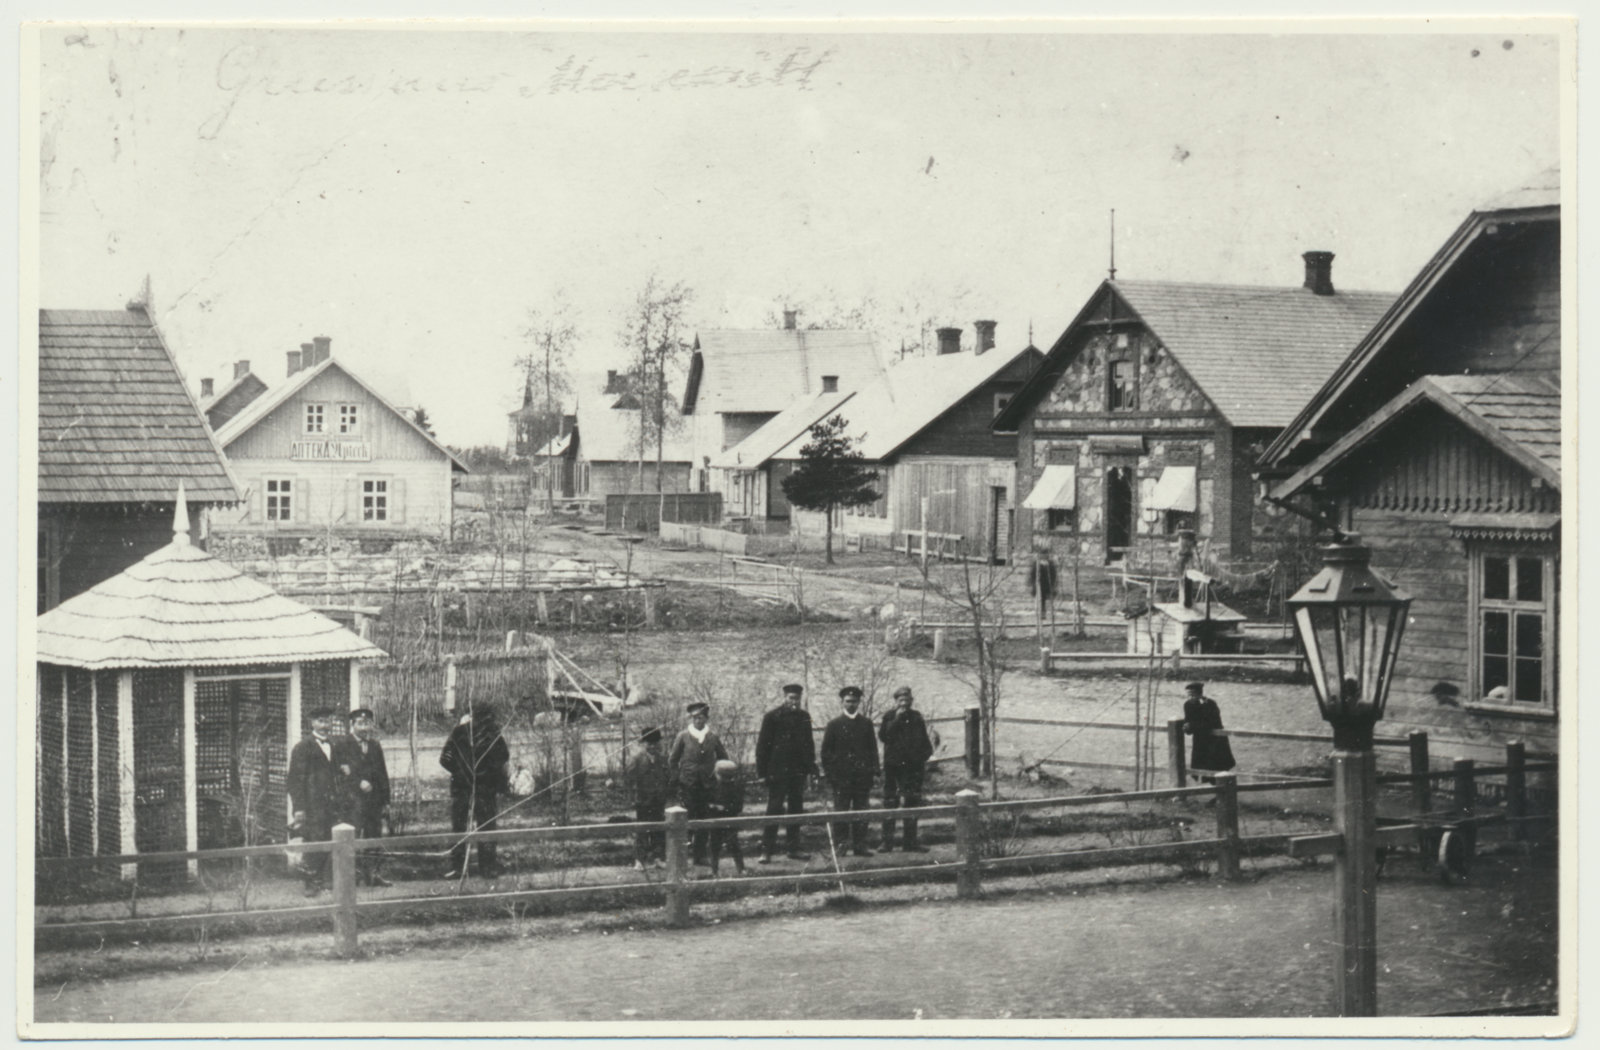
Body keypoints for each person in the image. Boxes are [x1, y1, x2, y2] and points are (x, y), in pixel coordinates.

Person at [440, 702, 511, 879]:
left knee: (484, 827)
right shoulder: (460, 734)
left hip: (483, 791)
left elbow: (502, 760)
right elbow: (445, 758)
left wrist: (490, 780)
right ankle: (461, 868)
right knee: (462, 827)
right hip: (464, 790)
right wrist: (462, 774)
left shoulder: (493, 736)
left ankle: (486, 867)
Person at [754, 682, 816, 863]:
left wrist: (811, 767)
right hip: (777, 772)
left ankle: (793, 848)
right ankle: (766, 850)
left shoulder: (804, 717)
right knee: (774, 809)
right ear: (784, 698)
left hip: (797, 773)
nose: (794, 702)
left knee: (796, 809)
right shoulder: (772, 717)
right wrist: (762, 773)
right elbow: (762, 747)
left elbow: (808, 744)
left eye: (797, 698)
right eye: (791, 698)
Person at [286, 709, 342, 897]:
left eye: (328, 721)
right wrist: (299, 808)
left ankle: (324, 880)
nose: (325, 725)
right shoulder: (303, 747)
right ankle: (310, 882)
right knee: (314, 842)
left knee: (329, 840)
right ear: (312, 723)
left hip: (331, 805)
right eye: (321, 721)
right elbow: (294, 780)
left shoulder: (333, 746)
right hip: (312, 806)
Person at [335, 707, 393, 887]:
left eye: (367, 723)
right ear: (352, 725)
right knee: (352, 837)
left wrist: (386, 801)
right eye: (360, 723)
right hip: (353, 801)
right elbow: (339, 773)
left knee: (373, 837)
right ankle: (351, 876)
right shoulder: (342, 745)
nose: (364, 727)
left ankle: (372, 874)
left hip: (374, 801)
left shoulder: (375, 745)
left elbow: (383, 774)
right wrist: (357, 782)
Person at [820, 685, 879, 857]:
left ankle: (860, 846)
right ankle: (841, 847)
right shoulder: (834, 725)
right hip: (841, 779)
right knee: (841, 812)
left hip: (862, 778)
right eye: (847, 701)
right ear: (842, 702)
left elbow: (872, 749)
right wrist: (832, 775)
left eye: (854, 701)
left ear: (859, 702)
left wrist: (873, 771)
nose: (850, 704)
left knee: (861, 812)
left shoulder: (866, 724)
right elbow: (826, 753)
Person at [668, 701, 727, 866]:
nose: (697, 720)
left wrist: (718, 776)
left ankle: (699, 856)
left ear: (706, 718)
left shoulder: (713, 737)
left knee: (703, 819)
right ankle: (683, 856)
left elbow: (723, 758)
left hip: (707, 785)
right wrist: (677, 779)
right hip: (688, 785)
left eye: (701, 717)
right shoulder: (683, 736)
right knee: (687, 819)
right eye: (694, 717)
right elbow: (673, 760)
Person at [878, 685, 933, 852]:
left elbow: (925, 742)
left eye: (907, 700)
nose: (904, 704)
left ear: (911, 701)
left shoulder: (917, 717)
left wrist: (922, 757)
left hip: (912, 769)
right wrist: (896, 719)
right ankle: (887, 842)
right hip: (893, 768)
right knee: (890, 802)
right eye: (901, 700)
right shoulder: (889, 716)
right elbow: (884, 736)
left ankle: (910, 842)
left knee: (911, 802)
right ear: (896, 701)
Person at [630, 726, 670, 869]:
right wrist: (634, 797)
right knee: (642, 830)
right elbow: (629, 779)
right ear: (643, 744)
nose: (652, 746)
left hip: (659, 801)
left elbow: (668, 778)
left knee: (659, 829)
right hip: (643, 801)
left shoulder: (663, 759)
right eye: (649, 743)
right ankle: (639, 860)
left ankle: (658, 857)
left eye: (655, 743)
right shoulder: (637, 759)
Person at [1182, 681, 1237, 780]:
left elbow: (1211, 723)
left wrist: (1192, 726)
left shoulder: (1210, 704)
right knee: (1202, 767)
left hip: (1215, 740)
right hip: (1200, 740)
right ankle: (1212, 790)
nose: (1190, 698)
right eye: (1188, 695)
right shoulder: (1188, 705)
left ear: (1200, 694)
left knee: (1217, 766)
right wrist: (1187, 727)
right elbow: (1188, 721)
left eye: (1193, 695)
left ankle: (1221, 791)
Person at [707, 759, 748, 877]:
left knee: (733, 844)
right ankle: (714, 870)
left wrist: (723, 808)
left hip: (730, 820)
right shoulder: (713, 786)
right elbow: (706, 801)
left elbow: (738, 806)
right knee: (715, 845)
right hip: (716, 821)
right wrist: (712, 807)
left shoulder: (736, 788)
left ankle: (741, 868)